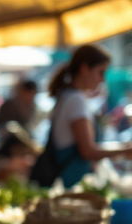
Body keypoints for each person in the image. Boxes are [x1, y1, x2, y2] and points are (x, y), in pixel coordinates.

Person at [31, 44, 132, 187]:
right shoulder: (75, 99)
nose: (102, 80)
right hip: (68, 184)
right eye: (100, 72)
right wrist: (124, 151)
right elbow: (87, 151)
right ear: (84, 69)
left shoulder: (68, 96)